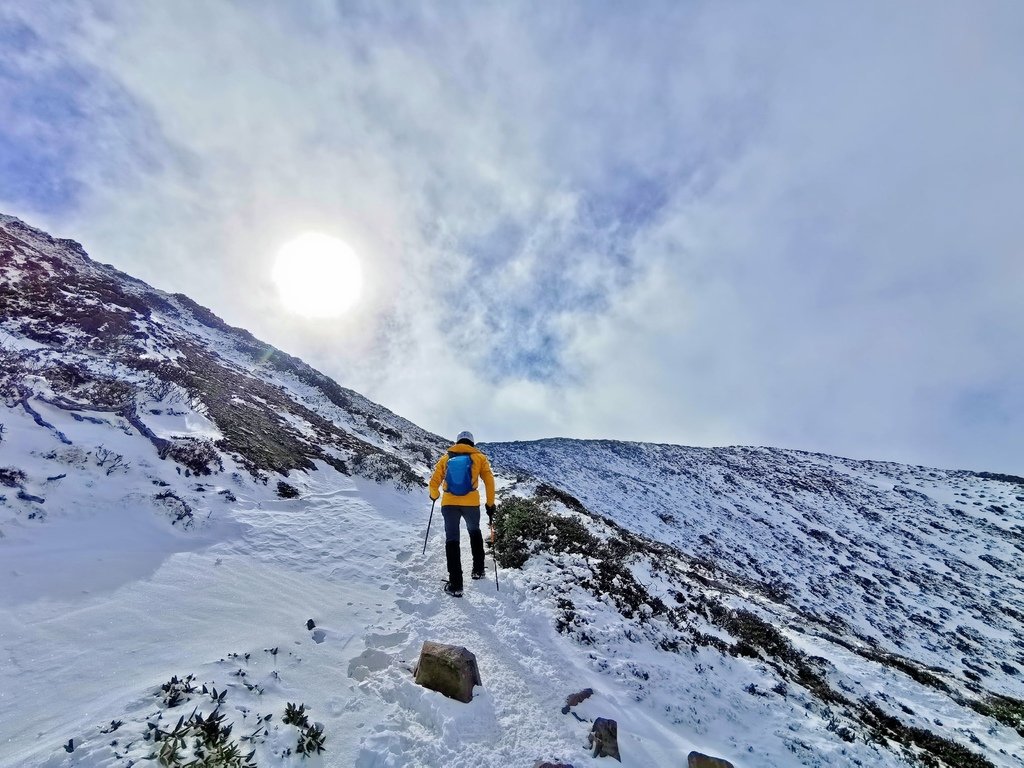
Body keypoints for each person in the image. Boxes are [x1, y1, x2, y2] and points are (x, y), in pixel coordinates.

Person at [428, 430, 496, 597]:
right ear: (472, 443)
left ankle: (456, 584)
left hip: (449, 504)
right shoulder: (479, 458)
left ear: (457, 441)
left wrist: (435, 495)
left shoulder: (446, 458)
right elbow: (489, 481)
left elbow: (433, 483)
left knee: (452, 540)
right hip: (471, 503)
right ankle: (478, 570)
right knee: (474, 532)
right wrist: (490, 503)